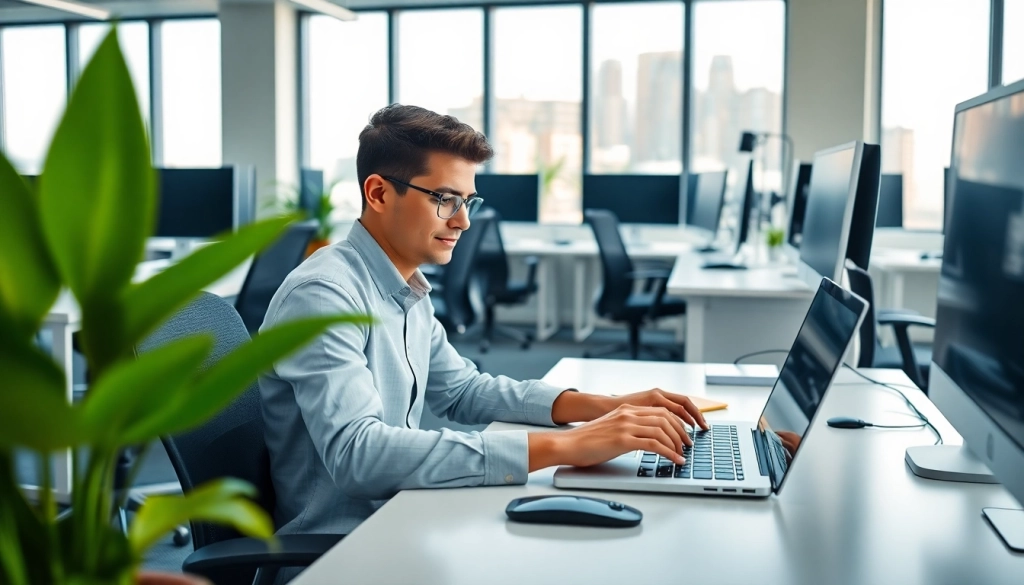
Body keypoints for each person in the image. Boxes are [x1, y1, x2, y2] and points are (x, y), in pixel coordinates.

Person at [259, 104, 708, 540]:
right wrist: (563, 447)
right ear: (378, 193)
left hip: (401, 514)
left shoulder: (406, 287)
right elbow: (359, 455)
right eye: (445, 199)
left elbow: (461, 391)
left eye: (468, 200)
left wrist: (603, 407)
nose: (463, 220)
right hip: (336, 551)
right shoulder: (323, 295)